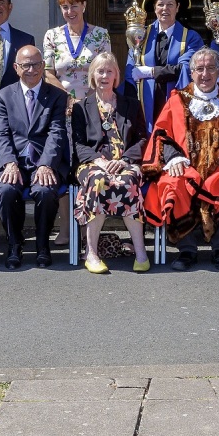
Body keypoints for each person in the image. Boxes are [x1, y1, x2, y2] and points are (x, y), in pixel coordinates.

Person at [143, 48, 219, 272]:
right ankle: (187, 249)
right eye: (200, 69)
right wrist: (173, 158)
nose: (205, 74)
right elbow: (160, 134)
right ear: (192, 73)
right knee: (173, 183)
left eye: (211, 68)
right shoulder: (177, 100)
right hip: (186, 167)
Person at [72, 51, 150, 274]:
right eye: (100, 71)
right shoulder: (81, 107)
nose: (104, 75)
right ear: (92, 75)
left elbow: (142, 138)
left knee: (129, 181)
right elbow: (78, 144)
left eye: (109, 71)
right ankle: (92, 253)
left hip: (125, 163)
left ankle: (140, 251)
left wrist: (125, 160)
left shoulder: (131, 105)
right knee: (98, 180)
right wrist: (100, 162)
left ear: (116, 75)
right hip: (93, 165)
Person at [0, 44, 70, 269]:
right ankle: (14, 244)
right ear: (16, 68)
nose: (31, 69)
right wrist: (8, 163)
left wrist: (46, 165)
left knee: (45, 191)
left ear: (43, 66)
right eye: (26, 65)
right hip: (13, 160)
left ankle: (43, 245)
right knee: (6, 191)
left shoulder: (56, 96)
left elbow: (57, 133)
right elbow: (1, 134)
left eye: (36, 64)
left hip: (43, 160)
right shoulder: (3, 96)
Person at [125, 0, 204, 128]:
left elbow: (185, 68)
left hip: (176, 99)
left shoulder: (191, 38)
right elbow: (131, 72)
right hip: (146, 102)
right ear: (154, 8)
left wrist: (152, 72)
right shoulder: (140, 35)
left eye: (170, 4)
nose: (165, 9)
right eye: (160, 4)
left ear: (178, 7)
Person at [42, 0, 113, 109]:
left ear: (83, 6)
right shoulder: (51, 36)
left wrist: (86, 102)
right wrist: (69, 99)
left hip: (94, 103)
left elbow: (105, 72)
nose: (70, 12)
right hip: (60, 103)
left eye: (74, 6)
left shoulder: (100, 35)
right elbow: (48, 74)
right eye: (65, 7)